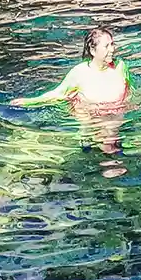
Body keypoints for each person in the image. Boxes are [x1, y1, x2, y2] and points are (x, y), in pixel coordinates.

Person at [14, 25, 132, 173]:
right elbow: (58, 94)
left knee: (110, 130)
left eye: (112, 44)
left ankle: (108, 157)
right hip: (91, 117)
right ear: (93, 50)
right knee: (105, 134)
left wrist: (129, 104)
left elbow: (129, 89)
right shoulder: (80, 73)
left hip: (115, 118)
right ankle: (100, 154)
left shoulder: (121, 67)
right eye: (107, 46)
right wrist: (29, 101)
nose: (112, 49)